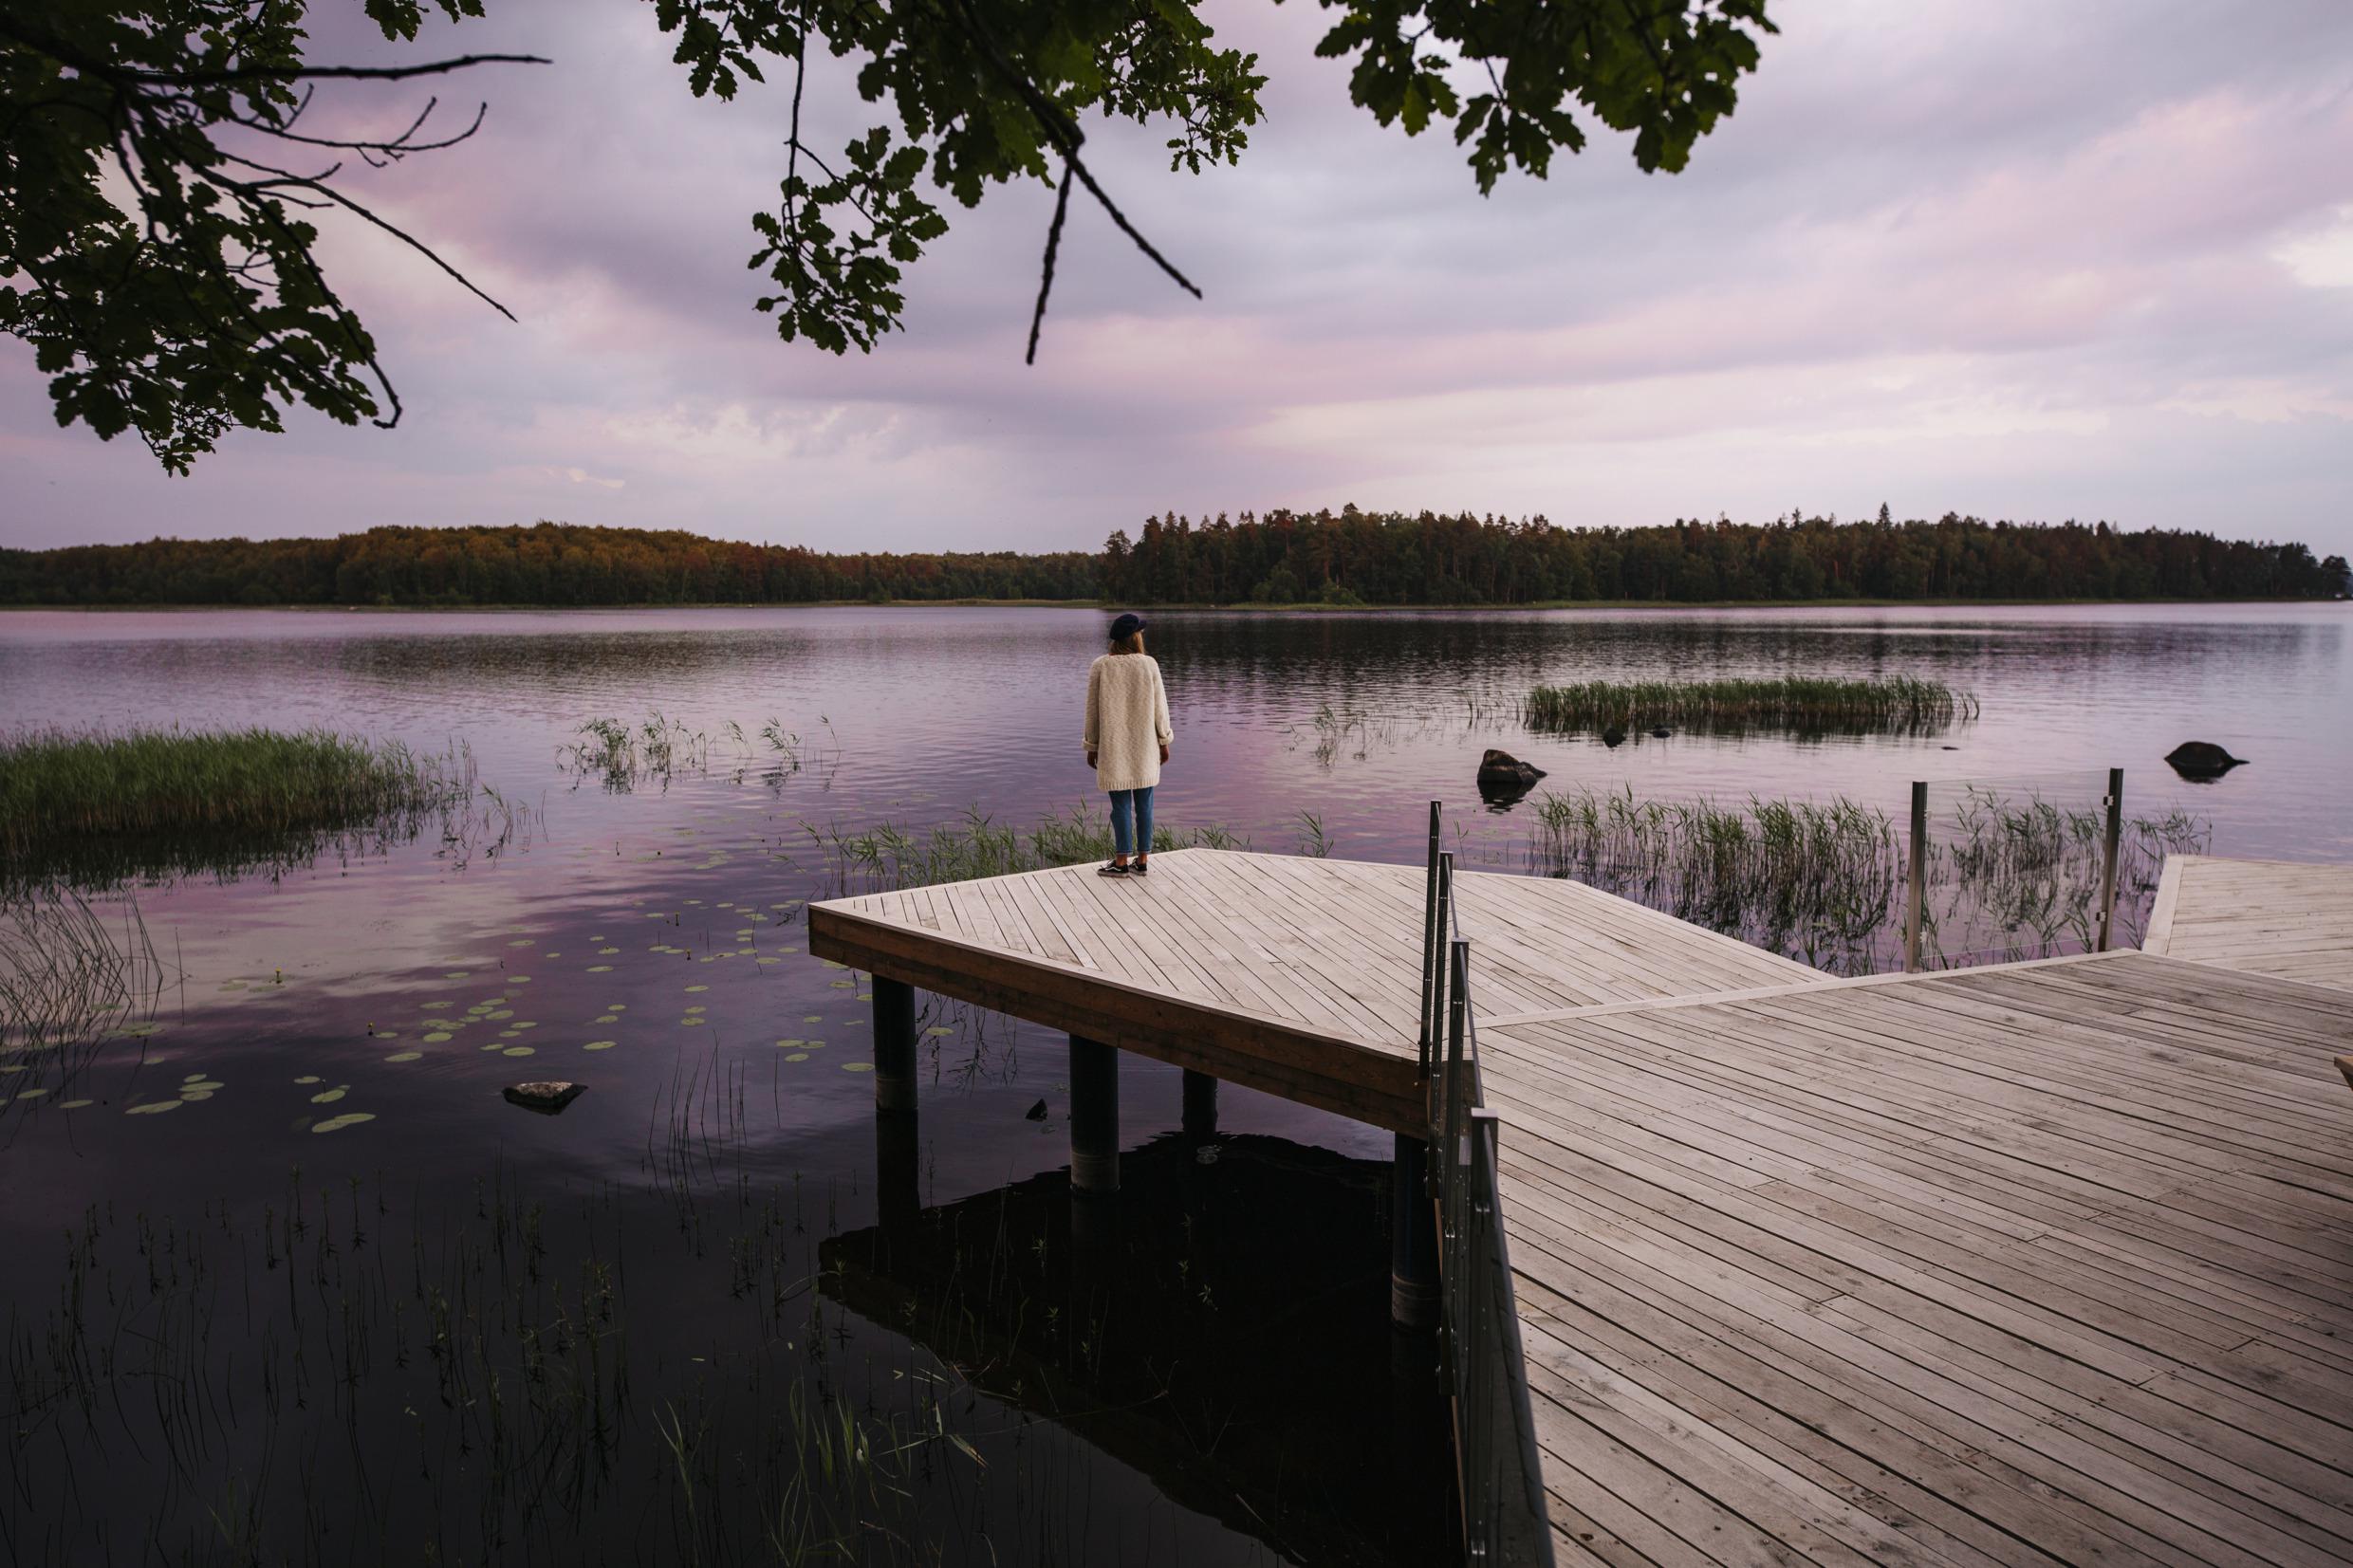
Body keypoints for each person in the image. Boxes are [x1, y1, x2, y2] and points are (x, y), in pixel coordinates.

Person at [1084, 611, 1173, 877]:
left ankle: (1121, 861)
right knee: (1145, 805)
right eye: (1140, 632)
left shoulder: (1100, 666)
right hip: (1145, 746)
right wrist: (1164, 740)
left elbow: (1092, 711)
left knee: (1120, 806)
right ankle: (1142, 860)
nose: (1142, 635)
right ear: (1134, 637)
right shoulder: (1149, 664)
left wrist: (1092, 745)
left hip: (1113, 747)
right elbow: (1161, 709)